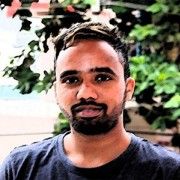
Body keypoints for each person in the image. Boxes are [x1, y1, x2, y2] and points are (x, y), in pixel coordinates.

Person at [0, 22, 180, 180]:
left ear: (128, 88)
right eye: (71, 80)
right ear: (56, 90)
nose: (86, 94)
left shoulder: (169, 171)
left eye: (102, 78)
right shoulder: (20, 169)